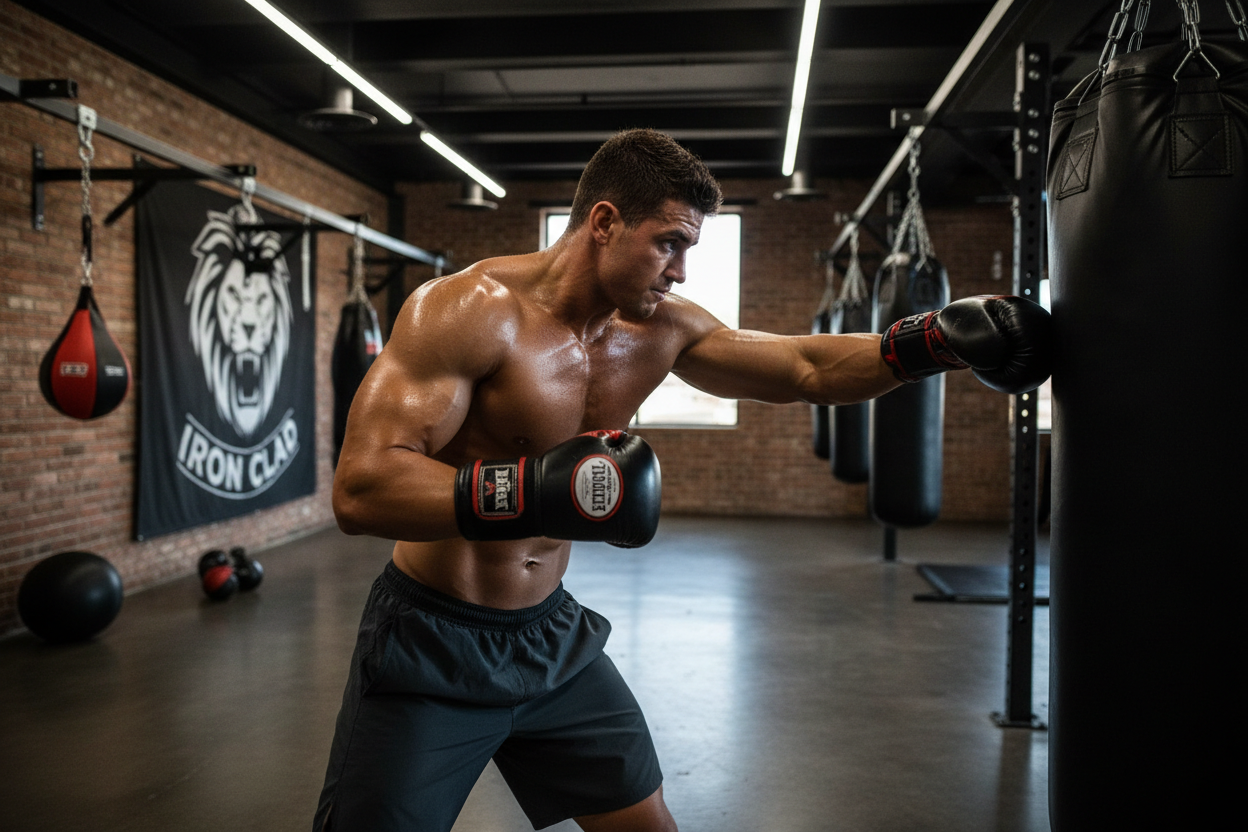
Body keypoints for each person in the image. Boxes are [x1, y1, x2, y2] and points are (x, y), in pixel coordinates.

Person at [315, 128, 1050, 832]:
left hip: (550, 639)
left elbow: (804, 367)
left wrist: (931, 344)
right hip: (432, 642)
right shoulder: (471, 312)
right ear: (604, 222)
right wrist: (532, 490)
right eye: (669, 243)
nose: (681, 270)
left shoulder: (660, 329)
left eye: (689, 248)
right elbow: (361, 487)